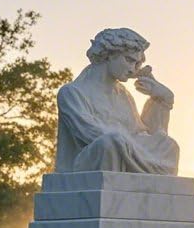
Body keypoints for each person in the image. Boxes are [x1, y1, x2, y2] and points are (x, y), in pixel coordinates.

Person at [55, 27, 180, 174]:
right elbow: (90, 134)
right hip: (89, 162)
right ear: (109, 55)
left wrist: (162, 99)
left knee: (167, 145)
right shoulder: (72, 92)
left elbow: (141, 134)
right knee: (110, 142)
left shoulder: (123, 95)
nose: (133, 70)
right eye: (129, 60)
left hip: (122, 149)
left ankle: (144, 183)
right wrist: (128, 144)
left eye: (137, 64)